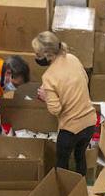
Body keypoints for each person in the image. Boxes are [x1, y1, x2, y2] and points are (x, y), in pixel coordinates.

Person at [31, 31, 96, 175]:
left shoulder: (49, 76)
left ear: (47, 55)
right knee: (80, 156)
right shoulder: (72, 58)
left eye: (37, 54)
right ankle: (80, 186)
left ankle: (62, 191)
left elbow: (55, 109)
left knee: (61, 164)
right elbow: (85, 79)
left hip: (70, 130)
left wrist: (45, 96)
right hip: (90, 122)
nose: (36, 57)